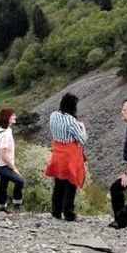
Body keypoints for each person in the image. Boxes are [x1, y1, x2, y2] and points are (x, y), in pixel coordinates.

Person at [44, 93, 88, 221]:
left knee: (58, 183)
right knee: (71, 183)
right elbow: (82, 139)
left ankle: (56, 212)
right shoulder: (72, 121)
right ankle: (68, 213)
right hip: (69, 155)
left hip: (57, 152)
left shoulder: (53, 115)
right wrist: (83, 127)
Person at [0, 107, 23, 213]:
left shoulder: (2, 130)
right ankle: (16, 205)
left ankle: (2, 207)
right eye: (13, 115)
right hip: (2, 165)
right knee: (20, 180)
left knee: (4, 183)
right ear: (7, 117)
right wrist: (14, 168)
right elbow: (4, 156)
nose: (15, 116)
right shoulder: (5, 135)